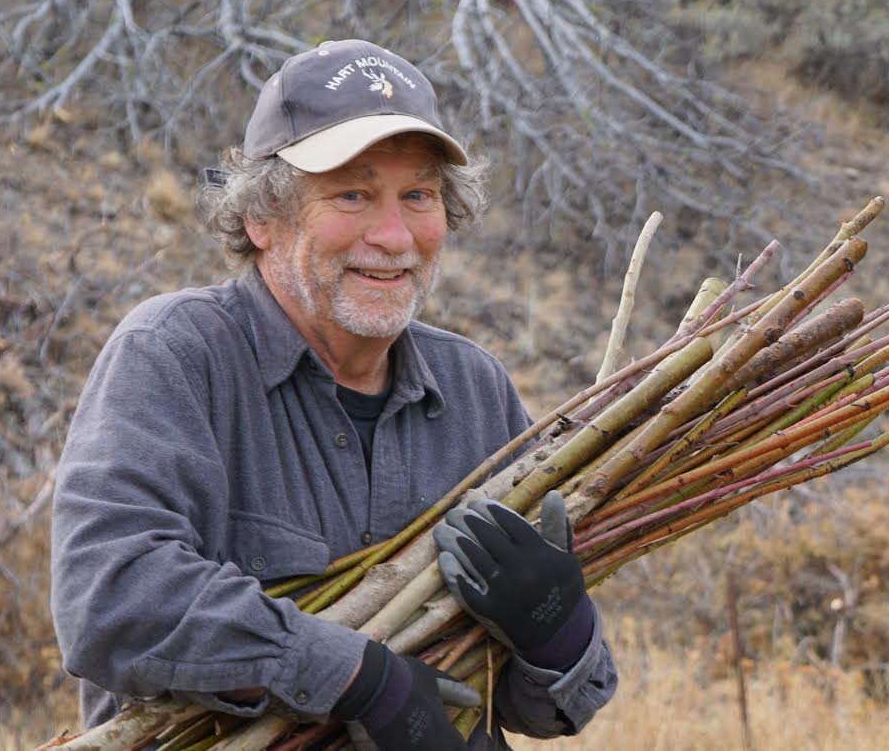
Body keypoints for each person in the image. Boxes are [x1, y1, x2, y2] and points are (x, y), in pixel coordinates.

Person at [51, 38, 617, 749]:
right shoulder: (175, 356)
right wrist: (356, 680)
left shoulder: (476, 391)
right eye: (353, 194)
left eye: (418, 195)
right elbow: (111, 601)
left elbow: (549, 710)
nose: (393, 235)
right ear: (262, 219)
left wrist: (557, 632)